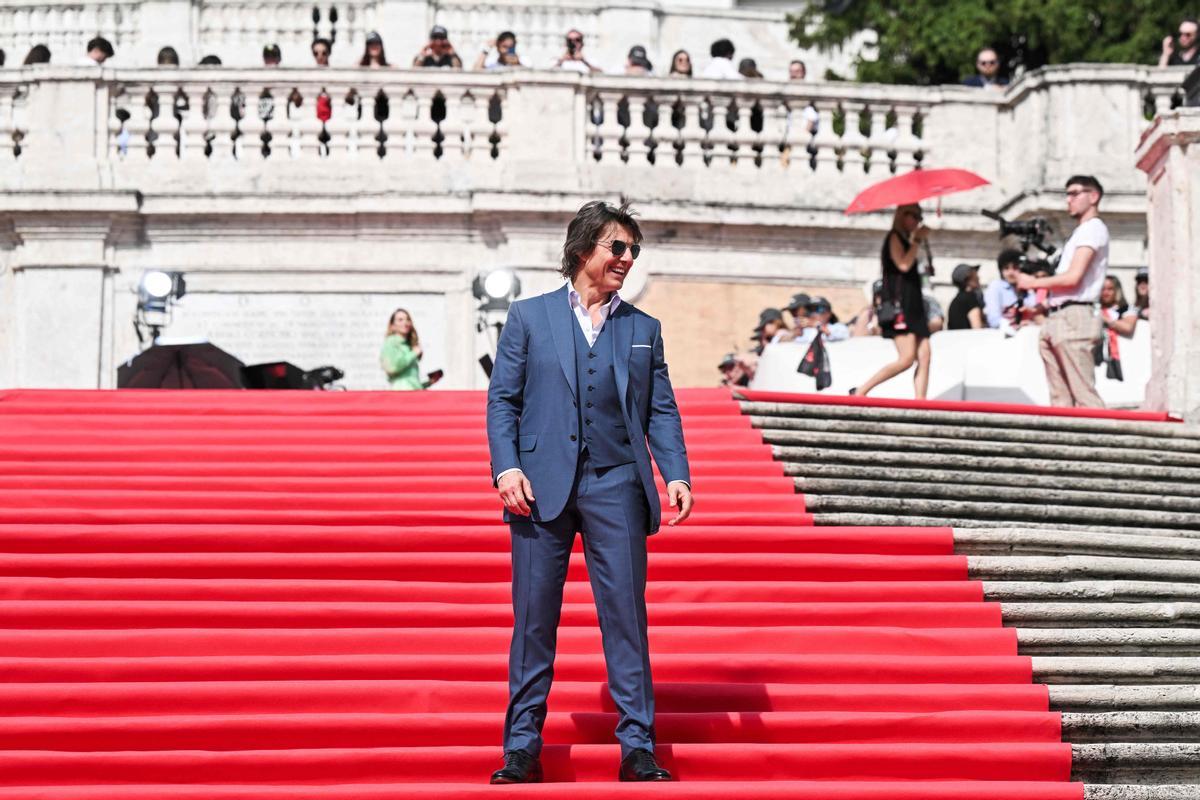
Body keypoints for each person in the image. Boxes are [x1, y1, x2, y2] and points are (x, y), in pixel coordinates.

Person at [486, 200, 691, 785]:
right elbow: (503, 400)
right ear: (584, 251)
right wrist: (506, 469)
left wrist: (675, 473)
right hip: (538, 488)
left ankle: (638, 747)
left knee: (626, 617)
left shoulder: (642, 329)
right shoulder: (529, 318)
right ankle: (522, 748)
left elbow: (661, 409)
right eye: (617, 248)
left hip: (617, 484)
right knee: (533, 622)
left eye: (633, 250)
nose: (627, 259)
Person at [1017, 175, 1109, 408]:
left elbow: (1073, 278)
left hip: (1075, 316)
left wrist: (1033, 283)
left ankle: (1105, 442)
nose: (1069, 200)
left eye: (1075, 193)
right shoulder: (1081, 233)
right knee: (1059, 398)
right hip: (1059, 314)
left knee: (1084, 395)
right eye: (1067, 194)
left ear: (1093, 196)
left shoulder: (1093, 229)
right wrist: (1042, 305)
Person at [851, 203, 932, 399]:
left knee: (925, 356)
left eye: (919, 217)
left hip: (914, 305)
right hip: (900, 307)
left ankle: (921, 404)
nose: (917, 221)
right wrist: (917, 241)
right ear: (902, 216)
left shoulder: (906, 239)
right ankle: (861, 391)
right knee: (906, 359)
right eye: (913, 216)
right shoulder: (894, 237)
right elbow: (903, 264)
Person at [380, 309, 424, 390]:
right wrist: (413, 353)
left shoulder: (407, 345)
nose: (405, 323)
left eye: (407, 319)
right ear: (393, 325)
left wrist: (429, 382)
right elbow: (392, 367)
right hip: (401, 393)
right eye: (400, 320)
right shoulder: (391, 342)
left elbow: (411, 381)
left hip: (412, 392)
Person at [983, 249, 1024, 332]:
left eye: (1015, 267)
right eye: (1006, 268)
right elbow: (993, 319)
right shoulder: (996, 287)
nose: (1011, 272)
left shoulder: (1028, 288)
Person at [947, 263, 984, 330]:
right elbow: (977, 328)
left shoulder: (957, 300)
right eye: (974, 274)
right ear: (967, 279)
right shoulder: (970, 298)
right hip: (968, 339)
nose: (978, 277)